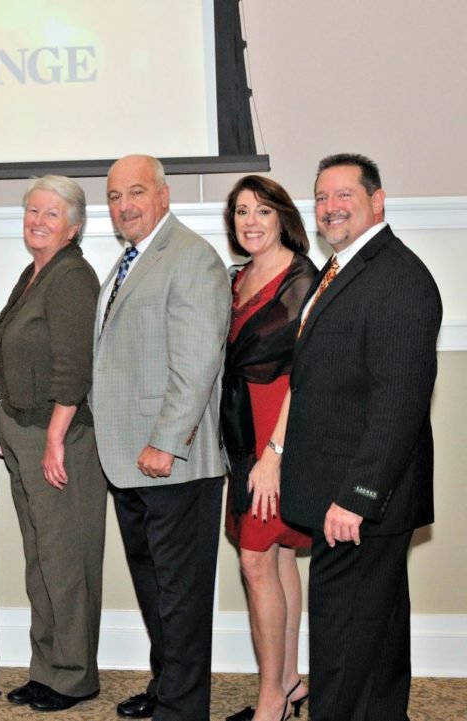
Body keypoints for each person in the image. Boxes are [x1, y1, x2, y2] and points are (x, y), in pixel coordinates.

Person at [280, 154, 441, 721]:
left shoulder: (398, 279)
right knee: (374, 644)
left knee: (343, 650)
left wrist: (358, 497)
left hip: (356, 504)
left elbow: (398, 403)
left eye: (344, 194)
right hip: (341, 497)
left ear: (378, 199)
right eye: (322, 197)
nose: (330, 207)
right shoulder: (344, 270)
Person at [91, 154, 230, 720]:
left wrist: (166, 442)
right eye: (116, 196)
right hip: (130, 461)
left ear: (164, 196)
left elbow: (196, 365)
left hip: (173, 463)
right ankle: (166, 688)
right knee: (155, 591)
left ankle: (183, 708)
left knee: (181, 596)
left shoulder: (192, 258)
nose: (125, 205)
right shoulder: (129, 260)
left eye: (136, 193)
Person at [0, 175, 105, 713]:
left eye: (51, 214)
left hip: (58, 438)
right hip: (24, 432)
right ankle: (46, 670)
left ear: (74, 228)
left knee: (66, 561)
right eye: (33, 210)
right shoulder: (34, 273)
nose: (37, 220)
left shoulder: (72, 277)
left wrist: (54, 440)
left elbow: (72, 366)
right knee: (40, 560)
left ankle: (74, 677)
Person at [219, 176, 317, 721]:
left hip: (278, 433)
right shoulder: (237, 278)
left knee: (256, 559)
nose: (250, 222)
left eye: (261, 210)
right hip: (242, 430)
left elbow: (306, 375)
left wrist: (274, 455)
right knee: (277, 556)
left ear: (282, 216)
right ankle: (289, 682)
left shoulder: (305, 279)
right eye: (240, 213)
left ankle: (271, 700)